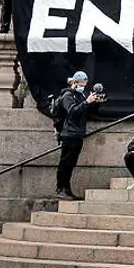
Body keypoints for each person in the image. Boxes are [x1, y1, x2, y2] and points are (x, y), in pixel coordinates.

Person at [52, 70, 101, 201]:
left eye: (85, 84)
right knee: (65, 162)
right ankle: (60, 188)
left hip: (78, 133)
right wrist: (87, 102)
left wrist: (95, 102)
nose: (83, 86)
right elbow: (73, 111)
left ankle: (67, 189)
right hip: (69, 134)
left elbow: (87, 113)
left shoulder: (81, 95)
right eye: (81, 84)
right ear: (74, 83)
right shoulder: (68, 95)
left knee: (71, 163)